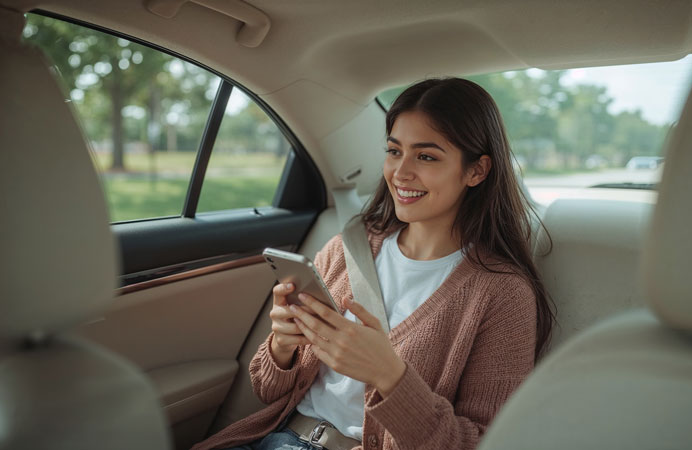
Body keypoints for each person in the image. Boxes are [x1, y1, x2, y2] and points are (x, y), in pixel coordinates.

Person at [191, 77, 554, 450]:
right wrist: (283, 345)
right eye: (394, 151)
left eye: (426, 157)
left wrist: (390, 375)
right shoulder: (346, 249)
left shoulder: (502, 294)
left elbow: (482, 442)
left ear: (476, 171)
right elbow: (268, 391)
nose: (401, 172)